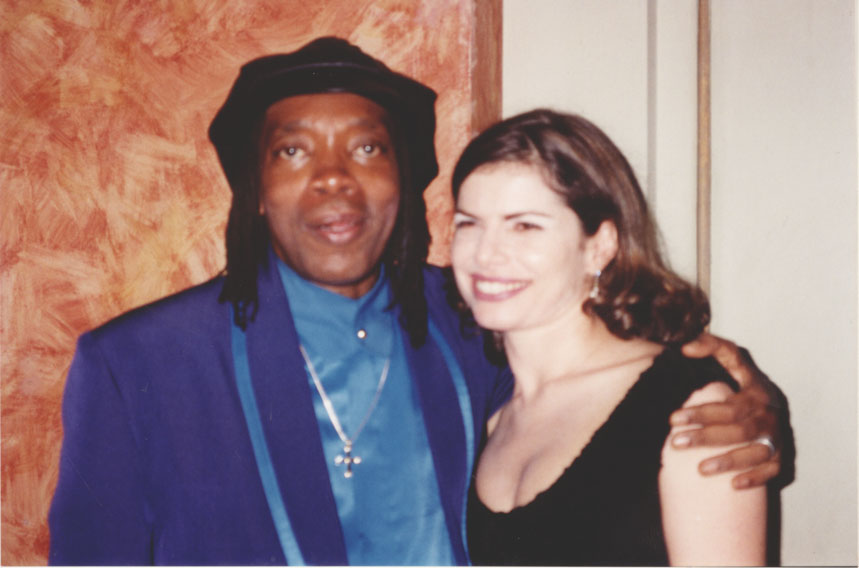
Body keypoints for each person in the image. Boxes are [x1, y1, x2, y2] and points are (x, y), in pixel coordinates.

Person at [49, 37, 782, 565]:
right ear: (256, 192)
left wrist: (746, 394)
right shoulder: (138, 365)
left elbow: (618, 384)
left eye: (367, 148)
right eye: (293, 151)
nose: (333, 178)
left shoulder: (472, 322)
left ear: (401, 181)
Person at [450, 109, 772, 565]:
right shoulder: (485, 407)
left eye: (525, 226)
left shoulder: (692, 408)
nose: (486, 253)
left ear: (599, 246)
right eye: (468, 223)